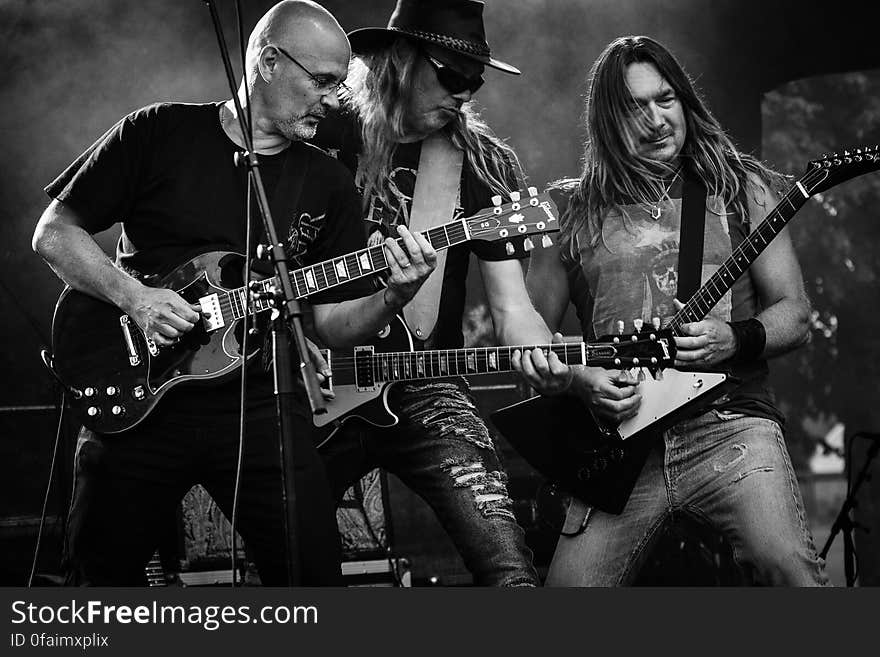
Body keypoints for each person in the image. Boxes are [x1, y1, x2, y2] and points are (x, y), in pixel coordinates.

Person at [31, 0, 436, 586]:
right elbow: (54, 233)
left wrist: (392, 298)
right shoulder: (158, 131)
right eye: (322, 81)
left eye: (339, 84)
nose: (334, 98)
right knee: (98, 585)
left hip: (261, 404)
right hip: (140, 397)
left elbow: (328, 325)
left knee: (314, 580)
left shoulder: (325, 182)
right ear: (270, 61)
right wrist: (134, 298)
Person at [515, 35, 828, 586]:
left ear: (685, 100)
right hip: (620, 447)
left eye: (666, 99)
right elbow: (528, 333)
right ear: (607, 121)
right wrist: (581, 378)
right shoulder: (568, 208)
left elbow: (796, 313)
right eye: (636, 107)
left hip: (728, 425)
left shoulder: (738, 185)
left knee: (789, 567)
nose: (658, 119)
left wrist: (736, 338)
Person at [312, 0, 550, 586]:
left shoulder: (482, 164)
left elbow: (512, 308)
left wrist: (560, 362)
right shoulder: (315, 131)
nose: (465, 93)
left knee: (509, 569)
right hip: (306, 380)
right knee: (292, 568)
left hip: (424, 382)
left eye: (476, 81)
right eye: (451, 75)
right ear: (400, 59)